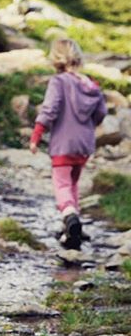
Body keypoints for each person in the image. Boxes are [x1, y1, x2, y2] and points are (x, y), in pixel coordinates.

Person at [29, 38, 107, 250]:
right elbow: (101, 112)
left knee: (61, 184)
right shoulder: (91, 85)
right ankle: (73, 228)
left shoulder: (59, 82)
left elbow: (50, 109)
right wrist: (88, 125)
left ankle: (70, 217)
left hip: (63, 143)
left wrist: (37, 134)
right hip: (84, 144)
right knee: (73, 183)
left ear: (56, 58)